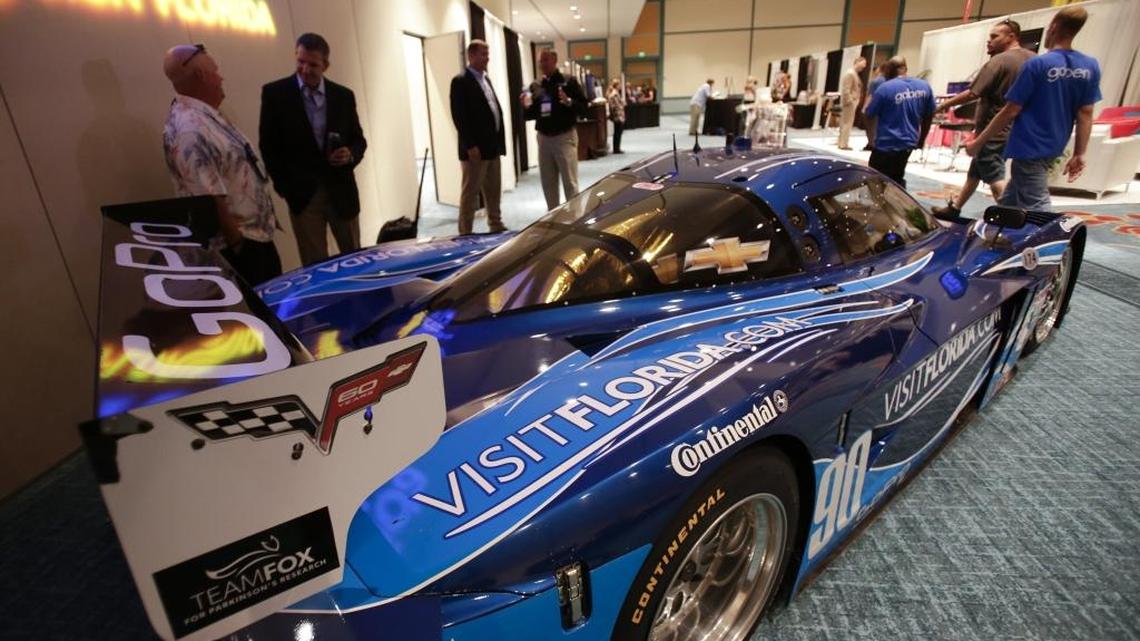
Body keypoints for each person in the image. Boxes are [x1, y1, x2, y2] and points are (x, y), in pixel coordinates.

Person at [162, 44, 281, 285]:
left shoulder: (207, 116)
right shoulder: (190, 129)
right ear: (201, 75)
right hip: (240, 249)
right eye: (216, 71)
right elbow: (209, 198)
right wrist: (238, 245)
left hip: (256, 237)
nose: (221, 78)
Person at [966, 6, 1100, 211]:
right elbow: (1086, 112)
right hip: (1055, 143)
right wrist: (1080, 153)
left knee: (1038, 208)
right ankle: (1001, 227)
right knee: (1010, 202)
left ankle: (1047, 233)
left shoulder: (1038, 65)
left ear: (1053, 27)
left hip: (1029, 144)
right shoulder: (1089, 66)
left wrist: (978, 142)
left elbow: (1010, 110)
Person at [259, 33, 367, 266]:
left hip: (342, 192)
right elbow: (268, 147)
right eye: (301, 61)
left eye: (313, 64)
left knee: (356, 260)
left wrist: (350, 154)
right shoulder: (275, 94)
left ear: (325, 65)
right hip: (303, 196)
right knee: (315, 265)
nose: (305, 69)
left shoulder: (343, 96)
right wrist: (285, 189)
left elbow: (359, 140)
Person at [931, 20, 1033, 219]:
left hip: (993, 129)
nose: (989, 41)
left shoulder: (999, 61)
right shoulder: (1032, 59)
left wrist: (944, 105)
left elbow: (973, 93)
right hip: (1017, 129)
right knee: (977, 171)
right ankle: (955, 208)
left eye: (995, 36)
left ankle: (1011, 219)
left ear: (1011, 37)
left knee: (994, 175)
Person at [449, 39, 507, 235]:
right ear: (471, 56)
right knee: (470, 193)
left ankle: (495, 223)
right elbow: (459, 116)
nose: (487, 58)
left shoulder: (485, 79)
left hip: (492, 146)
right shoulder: (460, 81)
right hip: (475, 150)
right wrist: (470, 145)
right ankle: (465, 231)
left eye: (487, 54)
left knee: (494, 189)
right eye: (483, 54)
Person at [521, 49, 589, 210]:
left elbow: (584, 108)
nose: (542, 64)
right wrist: (525, 107)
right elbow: (531, 115)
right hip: (544, 139)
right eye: (540, 61)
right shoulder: (536, 86)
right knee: (548, 183)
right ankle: (552, 218)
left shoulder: (569, 81)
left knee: (570, 183)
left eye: (546, 60)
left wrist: (569, 101)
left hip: (564, 138)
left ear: (555, 60)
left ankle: (575, 218)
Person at [863, 56, 935, 188]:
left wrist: (871, 140)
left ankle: (889, 199)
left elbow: (868, 114)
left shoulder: (885, 89)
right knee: (897, 176)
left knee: (875, 180)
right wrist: (921, 139)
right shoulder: (924, 87)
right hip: (908, 144)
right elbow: (929, 115)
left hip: (885, 145)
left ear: (889, 70)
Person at [838, 57, 867, 150]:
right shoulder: (850, 74)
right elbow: (846, 89)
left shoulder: (854, 74)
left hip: (852, 102)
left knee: (846, 123)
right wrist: (850, 101)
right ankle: (843, 144)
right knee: (847, 123)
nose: (864, 66)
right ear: (857, 62)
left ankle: (842, 142)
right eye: (863, 63)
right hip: (849, 103)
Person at [862, 63, 887, 150]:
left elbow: (870, 95)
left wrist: (865, 107)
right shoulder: (888, 81)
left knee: (870, 126)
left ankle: (871, 143)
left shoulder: (875, 81)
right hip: (884, 108)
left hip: (873, 106)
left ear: (879, 69)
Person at [607, 78, 626, 154]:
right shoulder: (614, 94)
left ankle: (617, 148)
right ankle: (616, 149)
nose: (620, 86)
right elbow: (615, 105)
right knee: (618, 133)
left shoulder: (615, 93)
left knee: (617, 132)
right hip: (618, 115)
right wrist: (622, 104)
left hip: (618, 115)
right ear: (617, 85)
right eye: (619, 85)